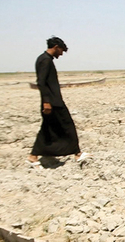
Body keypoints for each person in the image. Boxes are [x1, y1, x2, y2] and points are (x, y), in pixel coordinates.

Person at [29, 36, 90, 167]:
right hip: (53, 102)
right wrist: (46, 101)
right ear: (56, 47)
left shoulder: (44, 59)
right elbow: (41, 82)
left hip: (52, 101)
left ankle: (33, 156)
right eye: (61, 50)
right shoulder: (45, 60)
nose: (61, 54)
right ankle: (77, 153)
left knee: (47, 128)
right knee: (68, 125)